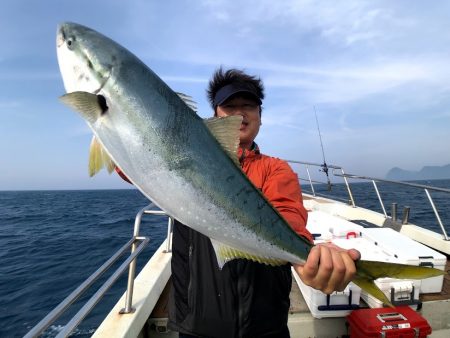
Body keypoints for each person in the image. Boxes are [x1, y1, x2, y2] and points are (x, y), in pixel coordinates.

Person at [165, 68, 360, 338]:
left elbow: (289, 215)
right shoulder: (186, 158)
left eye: (248, 106)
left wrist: (308, 258)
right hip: (197, 325)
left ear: (260, 117)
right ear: (215, 116)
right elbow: (132, 164)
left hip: (265, 326)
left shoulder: (275, 169)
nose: (240, 113)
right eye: (229, 106)